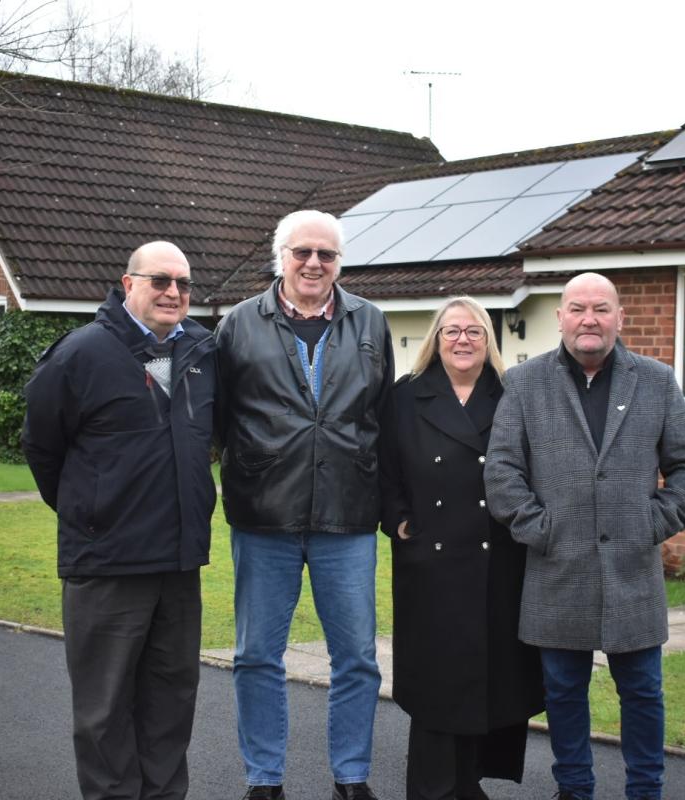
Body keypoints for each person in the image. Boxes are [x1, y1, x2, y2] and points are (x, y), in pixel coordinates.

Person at [484, 272, 685, 800]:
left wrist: (653, 524)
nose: (590, 319)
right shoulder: (524, 383)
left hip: (633, 571)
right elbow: (501, 471)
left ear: (619, 318)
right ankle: (575, 789)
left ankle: (646, 789)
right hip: (556, 569)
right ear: (560, 316)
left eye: (602, 309)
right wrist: (539, 529)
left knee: (643, 691)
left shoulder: (656, 380)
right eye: (579, 308)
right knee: (563, 692)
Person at [22, 241, 217, 800]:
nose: (174, 293)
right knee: (104, 712)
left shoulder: (203, 352)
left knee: (171, 703)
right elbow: (42, 447)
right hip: (107, 563)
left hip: (179, 563)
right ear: (128, 284)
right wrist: (93, 512)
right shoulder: (79, 354)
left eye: (183, 283)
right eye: (160, 281)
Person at [215, 209, 394, 800]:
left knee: (359, 660)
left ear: (339, 261)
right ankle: (264, 780)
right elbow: (218, 420)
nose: (314, 263)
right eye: (302, 253)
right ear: (281, 257)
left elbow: (383, 418)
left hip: (349, 514)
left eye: (327, 254)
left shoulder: (371, 321)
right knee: (256, 656)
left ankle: (352, 776)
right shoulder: (239, 324)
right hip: (264, 514)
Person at [379, 297, 545, 800]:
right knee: (437, 675)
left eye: (473, 331)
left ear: (488, 340)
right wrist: (398, 519)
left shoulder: (511, 393)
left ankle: (469, 782)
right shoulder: (406, 395)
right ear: (436, 338)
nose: (462, 340)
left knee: (489, 671)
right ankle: (431, 788)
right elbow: (383, 466)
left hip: (499, 556)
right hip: (431, 558)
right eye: (452, 331)